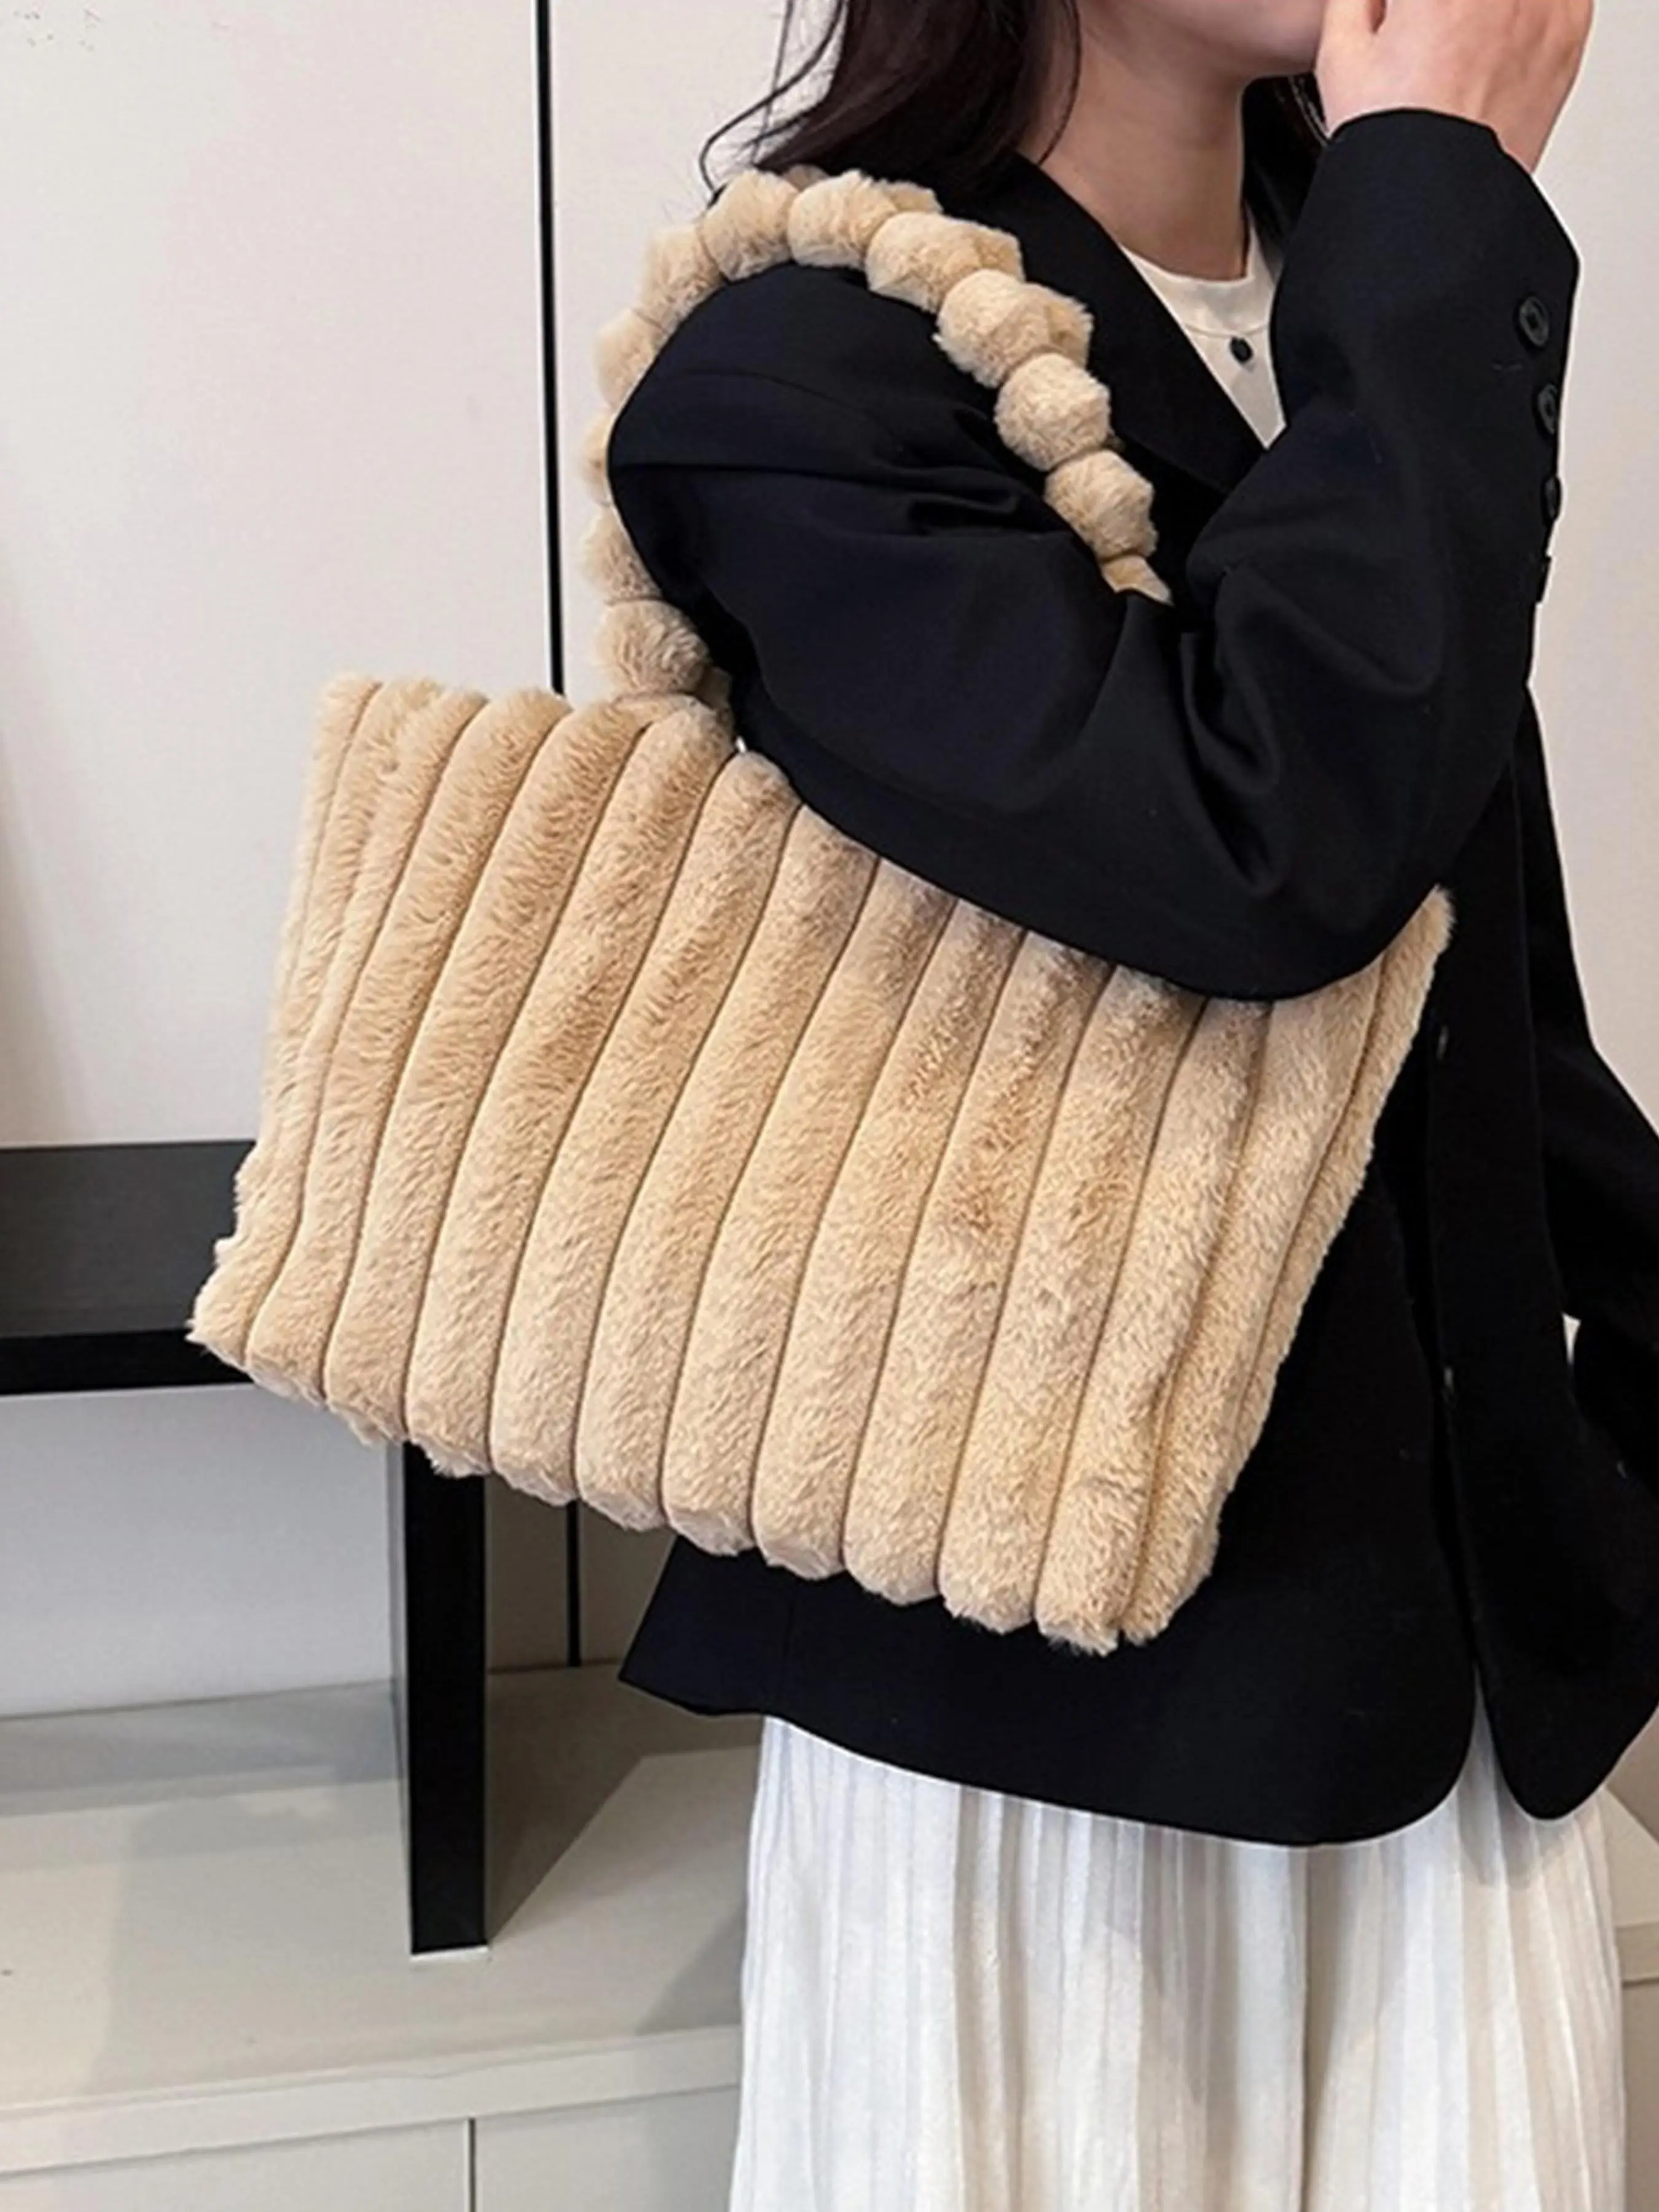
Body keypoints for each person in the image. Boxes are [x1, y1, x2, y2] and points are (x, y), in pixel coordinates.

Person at [605, 0, 1659, 2201]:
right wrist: (1435, 202)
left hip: (1440, 1687)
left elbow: (1468, 982)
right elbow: (1257, 859)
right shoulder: (815, 366)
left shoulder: (1348, 288)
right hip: (1054, 1743)